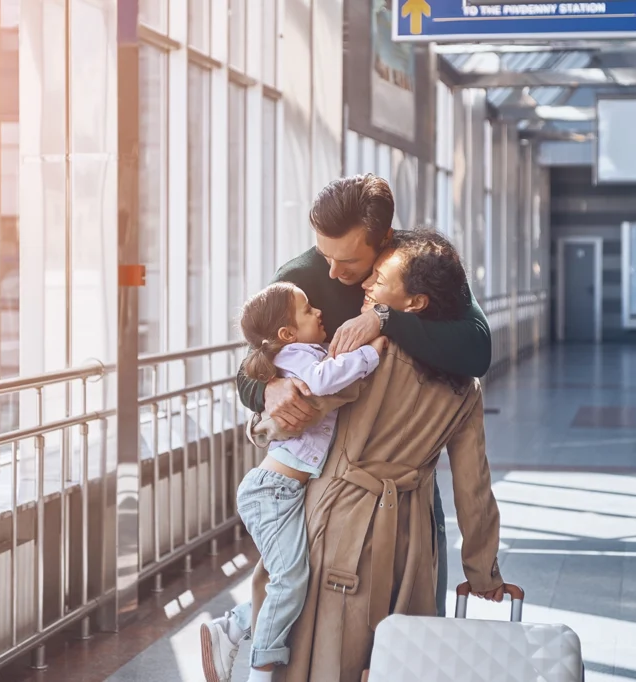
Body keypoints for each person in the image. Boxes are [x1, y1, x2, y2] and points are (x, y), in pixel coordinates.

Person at [202, 230, 502, 682]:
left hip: (338, 517)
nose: (365, 286)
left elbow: (303, 406)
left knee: (318, 648)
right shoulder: (466, 389)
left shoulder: (365, 356)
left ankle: (242, 640)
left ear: (415, 303)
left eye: (379, 280)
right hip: (412, 534)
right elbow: (473, 484)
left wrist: (263, 419)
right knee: (399, 656)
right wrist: (483, 573)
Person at [240, 174, 492, 616]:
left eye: (353, 263)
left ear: (385, 242)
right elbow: (250, 370)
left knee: (407, 631)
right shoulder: (299, 279)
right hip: (323, 478)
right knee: (306, 617)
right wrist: (268, 388)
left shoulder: (416, 266)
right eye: (325, 255)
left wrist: (383, 318)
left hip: (406, 485)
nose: (335, 274)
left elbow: (476, 348)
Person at [202, 282, 387, 682]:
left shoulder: (307, 350)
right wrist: (372, 353)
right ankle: (261, 670)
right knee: (290, 579)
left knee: (295, 576)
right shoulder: (297, 355)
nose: (318, 311)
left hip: (288, 490)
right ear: (287, 334)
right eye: (307, 310)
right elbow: (324, 381)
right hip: (272, 491)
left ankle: (233, 625)